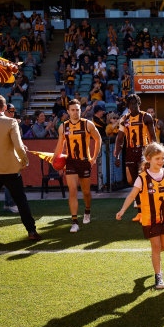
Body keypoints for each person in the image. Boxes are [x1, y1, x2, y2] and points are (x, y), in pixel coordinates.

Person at [116, 142, 164, 289]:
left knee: (163, 246)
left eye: (163, 158)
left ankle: (154, 257)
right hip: (149, 218)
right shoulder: (142, 177)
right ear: (149, 159)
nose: (161, 161)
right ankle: (159, 277)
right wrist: (123, 210)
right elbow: (132, 196)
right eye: (157, 158)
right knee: (156, 247)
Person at [0, 95, 41, 241]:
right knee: (21, 200)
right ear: (5, 108)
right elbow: (19, 146)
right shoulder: (11, 122)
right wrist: (24, 161)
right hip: (10, 168)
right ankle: (31, 231)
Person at [54, 99, 102, 233]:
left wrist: (94, 157)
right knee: (73, 190)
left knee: (86, 192)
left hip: (84, 162)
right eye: (73, 110)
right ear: (68, 111)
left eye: (77, 109)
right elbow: (60, 145)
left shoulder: (88, 124)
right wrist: (54, 160)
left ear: (80, 110)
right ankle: (74, 221)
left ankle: (87, 211)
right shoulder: (63, 126)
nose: (75, 112)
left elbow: (98, 139)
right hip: (70, 162)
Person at [114, 94, 157, 222]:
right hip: (130, 152)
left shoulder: (146, 117)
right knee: (134, 182)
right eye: (131, 104)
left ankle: (147, 210)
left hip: (144, 151)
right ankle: (140, 212)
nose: (134, 106)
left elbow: (153, 137)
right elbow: (120, 139)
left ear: (139, 104)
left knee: (144, 181)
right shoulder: (124, 119)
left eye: (136, 103)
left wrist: (153, 153)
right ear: (128, 106)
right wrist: (117, 155)